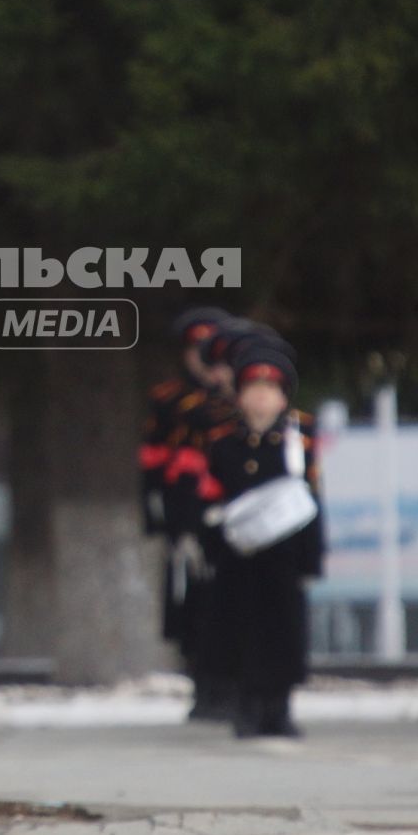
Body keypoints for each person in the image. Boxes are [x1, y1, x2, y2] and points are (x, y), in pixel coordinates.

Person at [192, 335, 324, 739]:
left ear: (283, 398)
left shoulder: (297, 442)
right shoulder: (223, 442)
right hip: (239, 557)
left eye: (270, 390)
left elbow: (312, 499)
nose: (262, 399)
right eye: (254, 389)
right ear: (241, 395)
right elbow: (209, 497)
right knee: (242, 630)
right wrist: (208, 544)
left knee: (283, 632)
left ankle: (279, 708)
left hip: (284, 556)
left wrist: (311, 558)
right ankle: (247, 708)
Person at [139, 308, 233, 718]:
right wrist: (162, 518)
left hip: (231, 514)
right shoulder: (170, 401)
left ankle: (233, 683)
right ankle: (202, 683)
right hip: (187, 513)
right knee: (190, 603)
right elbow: (155, 463)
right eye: (196, 350)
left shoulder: (237, 400)